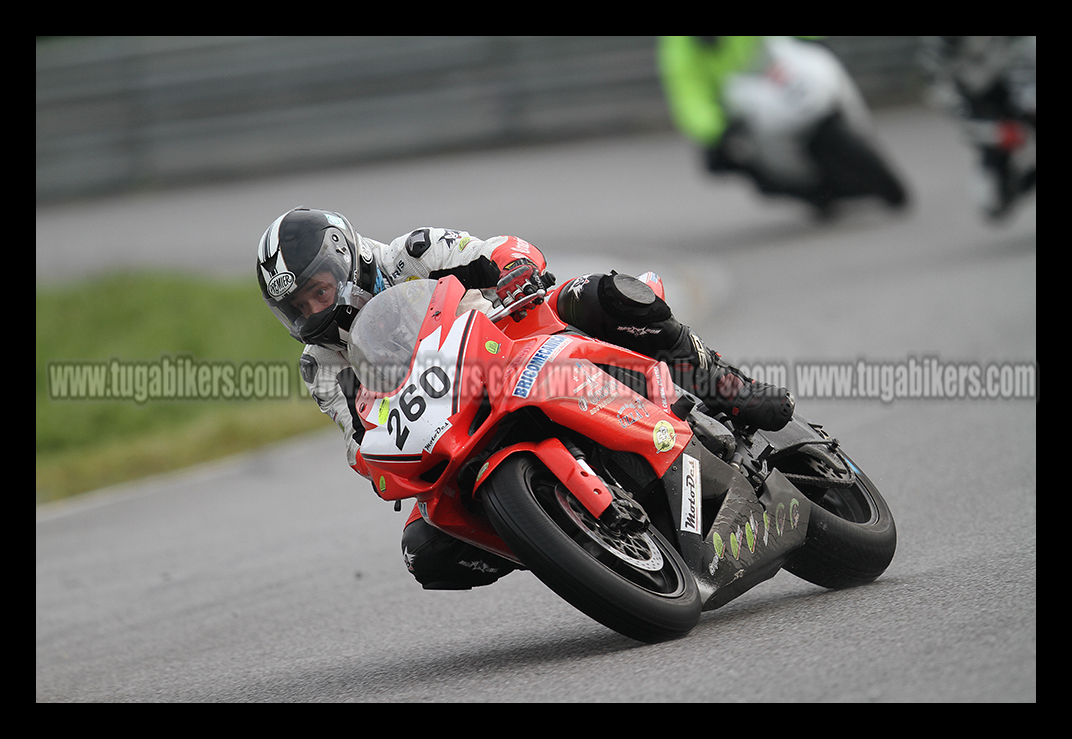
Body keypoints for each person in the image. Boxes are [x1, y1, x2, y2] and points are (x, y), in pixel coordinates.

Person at [256, 207, 794, 590]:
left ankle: (724, 386)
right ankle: (555, 534)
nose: (313, 310)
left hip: (517, 341)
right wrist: (376, 460)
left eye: (318, 290)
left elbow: (494, 250)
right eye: (298, 307)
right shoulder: (319, 364)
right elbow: (358, 440)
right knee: (426, 550)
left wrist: (514, 268)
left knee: (609, 295)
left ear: (343, 260)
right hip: (451, 420)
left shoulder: (409, 255)